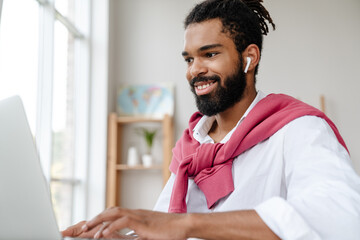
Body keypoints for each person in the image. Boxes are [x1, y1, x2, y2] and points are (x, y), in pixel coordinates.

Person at [62, 0, 360, 239]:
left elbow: (341, 217)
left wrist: (188, 225)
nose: (194, 70)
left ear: (249, 57)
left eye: (210, 54)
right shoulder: (190, 148)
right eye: (189, 59)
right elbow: (164, 232)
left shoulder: (299, 129)